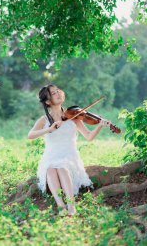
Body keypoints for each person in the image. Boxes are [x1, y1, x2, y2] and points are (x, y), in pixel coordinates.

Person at [27, 84, 111, 216]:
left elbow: (88, 136)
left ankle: (71, 207)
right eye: (54, 93)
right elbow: (30, 135)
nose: (59, 93)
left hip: (69, 156)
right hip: (51, 157)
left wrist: (100, 125)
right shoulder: (44, 120)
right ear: (48, 101)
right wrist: (49, 129)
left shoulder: (74, 115)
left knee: (62, 168)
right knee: (50, 169)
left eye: (58, 90)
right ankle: (60, 205)